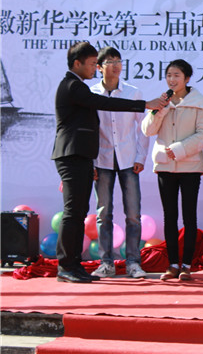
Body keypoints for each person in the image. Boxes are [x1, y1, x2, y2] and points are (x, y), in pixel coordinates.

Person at [51, 42, 166, 283]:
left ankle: (74, 265)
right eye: (93, 64)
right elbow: (106, 103)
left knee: (80, 212)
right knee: (75, 213)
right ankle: (67, 266)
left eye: (117, 62)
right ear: (77, 64)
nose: (94, 68)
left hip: (87, 157)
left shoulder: (80, 87)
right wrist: (144, 105)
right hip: (75, 156)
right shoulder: (74, 86)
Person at [141, 59, 203, 282]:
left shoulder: (199, 102)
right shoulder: (162, 101)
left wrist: (180, 149)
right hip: (165, 167)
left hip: (190, 167)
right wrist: (160, 110)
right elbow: (148, 131)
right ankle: (172, 264)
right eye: (169, 75)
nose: (172, 80)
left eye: (177, 75)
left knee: (189, 216)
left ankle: (187, 265)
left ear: (187, 78)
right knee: (169, 216)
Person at [89, 47, 149, 279]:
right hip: (101, 159)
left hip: (128, 160)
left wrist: (140, 157)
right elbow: (88, 130)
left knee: (133, 214)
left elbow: (143, 128)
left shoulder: (133, 93)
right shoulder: (91, 93)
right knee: (104, 214)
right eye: (110, 61)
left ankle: (133, 262)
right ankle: (106, 263)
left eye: (118, 61)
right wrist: (91, 162)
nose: (116, 65)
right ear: (99, 67)